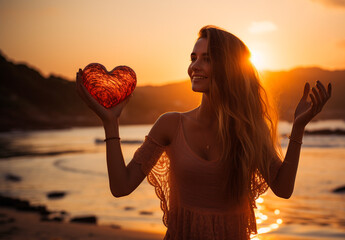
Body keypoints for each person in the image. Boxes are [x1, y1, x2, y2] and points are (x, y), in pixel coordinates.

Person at [76, 25, 331, 240]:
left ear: (229, 67)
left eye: (206, 59)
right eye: (193, 58)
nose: (195, 66)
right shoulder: (170, 125)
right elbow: (121, 186)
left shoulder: (249, 131)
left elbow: (283, 188)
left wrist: (298, 128)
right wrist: (110, 123)